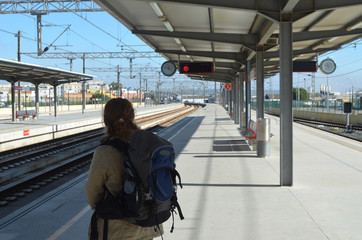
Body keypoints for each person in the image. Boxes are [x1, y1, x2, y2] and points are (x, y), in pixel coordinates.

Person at [85, 98, 163, 240]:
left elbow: (93, 196)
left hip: (118, 231)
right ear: (132, 117)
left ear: (106, 121)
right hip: (149, 226)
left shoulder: (105, 151)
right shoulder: (146, 144)